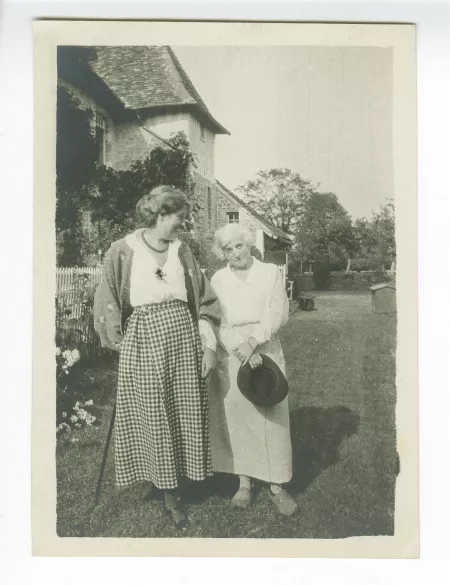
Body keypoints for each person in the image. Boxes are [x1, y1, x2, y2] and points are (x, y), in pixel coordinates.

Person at [93, 185, 221, 530]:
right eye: (180, 217)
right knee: (154, 413)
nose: (184, 223)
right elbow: (107, 297)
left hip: (182, 336)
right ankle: (170, 495)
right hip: (145, 337)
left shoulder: (183, 251)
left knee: (183, 409)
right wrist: (119, 343)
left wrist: (208, 346)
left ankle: (185, 479)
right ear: (161, 215)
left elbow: (204, 302)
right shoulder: (123, 249)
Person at [208, 223, 297, 516]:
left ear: (249, 245)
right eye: (228, 249)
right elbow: (216, 319)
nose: (235, 253)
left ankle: (276, 486)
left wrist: (254, 343)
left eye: (239, 246)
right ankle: (243, 483)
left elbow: (277, 312)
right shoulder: (218, 280)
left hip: (265, 348)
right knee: (238, 417)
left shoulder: (270, 273)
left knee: (271, 414)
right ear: (221, 253)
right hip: (233, 353)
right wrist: (239, 348)